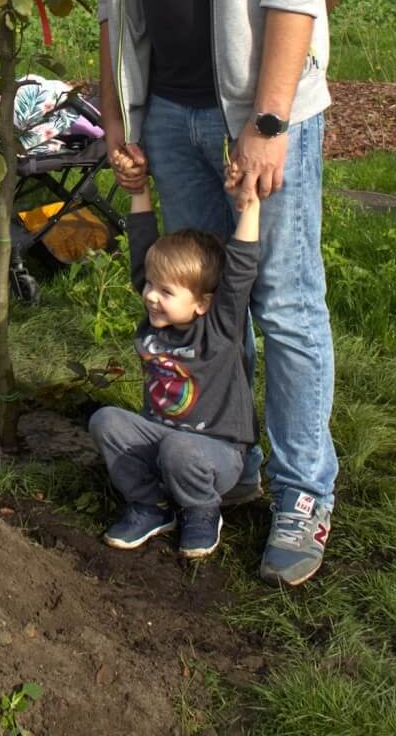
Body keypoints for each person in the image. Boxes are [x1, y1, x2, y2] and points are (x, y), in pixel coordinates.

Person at [98, 0, 336, 587]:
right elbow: (118, 3)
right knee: (208, 314)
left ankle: (304, 486)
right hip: (171, 117)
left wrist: (269, 121)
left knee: (281, 302)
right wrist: (120, 113)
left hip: (256, 116)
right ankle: (223, 462)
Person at [89, 183, 260, 560]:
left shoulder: (218, 329)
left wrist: (250, 204)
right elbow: (142, 247)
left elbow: (241, 271)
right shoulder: (155, 320)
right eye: (150, 284)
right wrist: (138, 190)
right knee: (105, 421)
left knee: (179, 448)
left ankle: (202, 511)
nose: (150, 295)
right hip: (162, 439)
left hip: (217, 454)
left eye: (165, 291)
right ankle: (151, 506)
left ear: (202, 304)